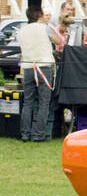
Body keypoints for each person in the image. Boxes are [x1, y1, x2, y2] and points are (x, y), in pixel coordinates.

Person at [18, 7, 56, 142]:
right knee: (43, 102)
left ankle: (25, 134)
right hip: (44, 66)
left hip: (28, 67)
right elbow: (57, 41)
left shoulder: (21, 30)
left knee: (27, 102)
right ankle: (38, 134)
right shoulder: (43, 28)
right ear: (40, 15)